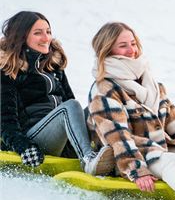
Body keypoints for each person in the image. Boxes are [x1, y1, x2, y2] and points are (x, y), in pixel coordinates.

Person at [87, 22, 175, 196]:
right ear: (107, 50)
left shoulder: (150, 83)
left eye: (133, 43)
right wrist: (137, 170)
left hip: (162, 147)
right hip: (130, 156)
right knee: (173, 161)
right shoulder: (104, 89)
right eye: (123, 46)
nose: (131, 50)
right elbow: (117, 137)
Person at [1, 11, 113, 174]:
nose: (46, 38)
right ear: (21, 37)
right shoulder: (8, 71)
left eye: (48, 32)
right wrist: (24, 147)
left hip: (63, 141)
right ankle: (88, 160)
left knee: (101, 104)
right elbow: (6, 123)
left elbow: (71, 107)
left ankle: (118, 155)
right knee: (71, 106)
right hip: (36, 139)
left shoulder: (53, 65)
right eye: (38, 33)